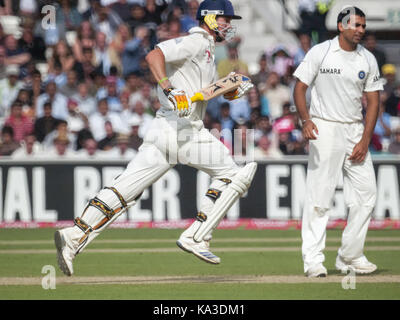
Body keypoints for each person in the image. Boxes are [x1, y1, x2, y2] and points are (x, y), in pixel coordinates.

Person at [54, 0, 256, 276]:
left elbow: (198, 92)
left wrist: (229, 88)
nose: (229, 26)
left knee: (124, 190)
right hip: (183, 131)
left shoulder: (207, 50)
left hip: (164, 130)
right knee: (236, 175)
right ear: (209, 18)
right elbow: (154, 54)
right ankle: (197, 236)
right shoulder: (196, 41)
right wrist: (168, 87)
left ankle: (74, 236)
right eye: (225, 19)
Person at [293, 6, 383, 277]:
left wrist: (365, 139)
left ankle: (349, 255)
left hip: (355, 129)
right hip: (325, 128)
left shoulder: (367, 58)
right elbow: (299, 88)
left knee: (367, 195)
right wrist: (306, 121)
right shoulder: (320, 52)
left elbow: (374, 101)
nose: (361, 30)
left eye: (363, 26)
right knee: (319, 197)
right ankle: (313, 260)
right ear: (341, 26)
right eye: (356, 25)